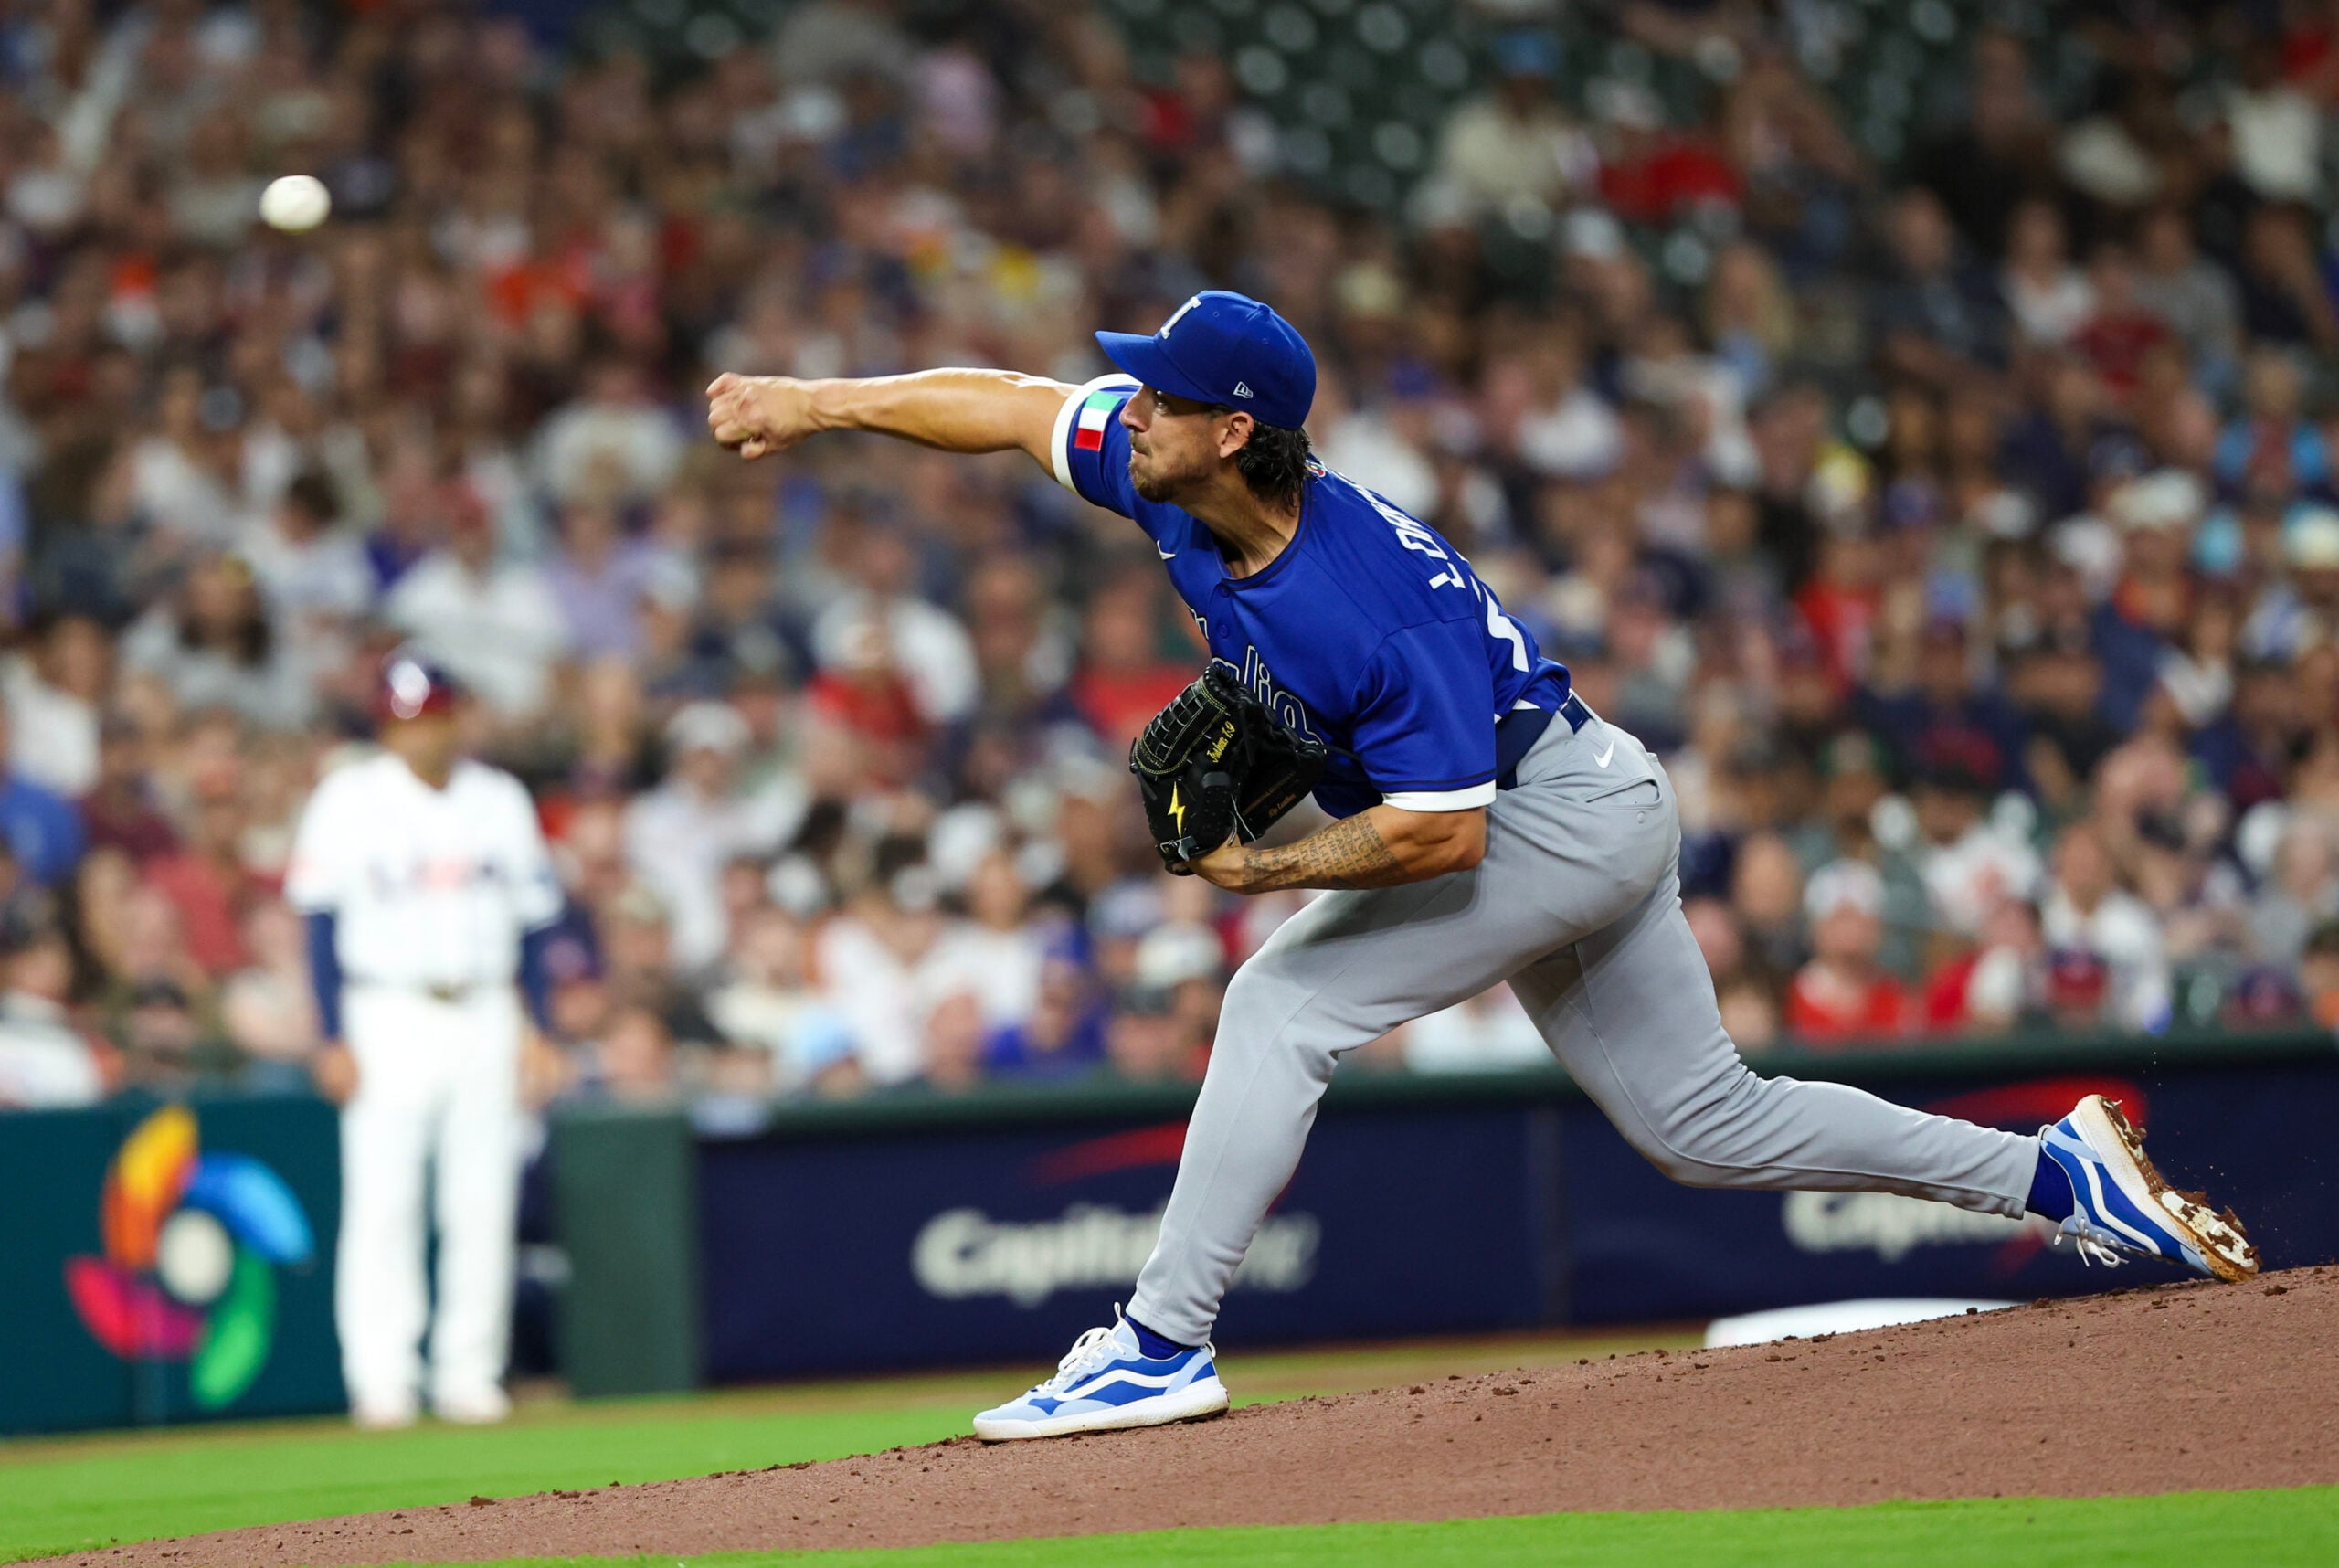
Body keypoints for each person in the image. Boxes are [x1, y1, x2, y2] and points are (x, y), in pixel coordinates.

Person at [704, 289, 2260, 1444]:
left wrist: (1267, 876)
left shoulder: (1360, 597)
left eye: (1164, 395)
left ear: (1234, 428)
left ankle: (1162, 1342)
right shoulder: (1179, 475)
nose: (1132, 406)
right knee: (1706, 1123)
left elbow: (1442, 835)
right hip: (1577, 790)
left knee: (1277, 1008)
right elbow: (1007, 400)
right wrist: (815, 399)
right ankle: (2058, 1171)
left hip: (1545, 814)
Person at [285, 650, 564, 1429]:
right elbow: (319, 922)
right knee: (386, 1201)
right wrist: (332, 1033)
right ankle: (383, 1380)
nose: (423, 734)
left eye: (435, 716)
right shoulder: (348, 797)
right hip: (388, 1009)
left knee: (482, 1200)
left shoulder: (498, 798)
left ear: (456, 715)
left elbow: (535, 928)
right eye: (407, 721)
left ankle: (469, 1374)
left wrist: (537, 1026)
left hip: (484, 1005)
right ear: (385, 725)